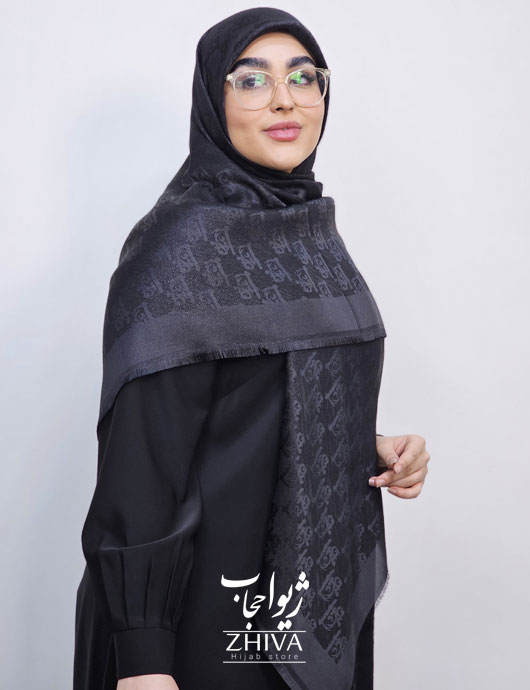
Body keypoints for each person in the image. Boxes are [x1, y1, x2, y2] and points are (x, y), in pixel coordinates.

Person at [73, 7, 430, 690]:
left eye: (304, 76)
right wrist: (144, 662)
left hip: (296, 601)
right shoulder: (179, 250)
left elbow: (258, 402)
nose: (285, 99)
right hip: (199, 622)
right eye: (252, 80)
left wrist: (364, 444)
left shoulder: (310, 232)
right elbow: (143, 467)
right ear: (214, 101)